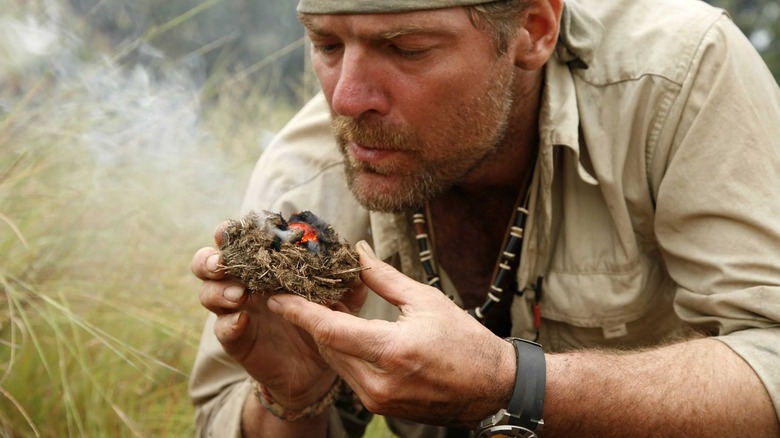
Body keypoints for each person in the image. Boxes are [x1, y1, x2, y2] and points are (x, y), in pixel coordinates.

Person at [189, 0, 780, 436]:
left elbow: (770, 361)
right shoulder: (304, 184)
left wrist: (511, 380)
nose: (346, 99)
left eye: (407, 49)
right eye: (327, 45)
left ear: (533, 30)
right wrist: (293, 397)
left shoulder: (677, 80)